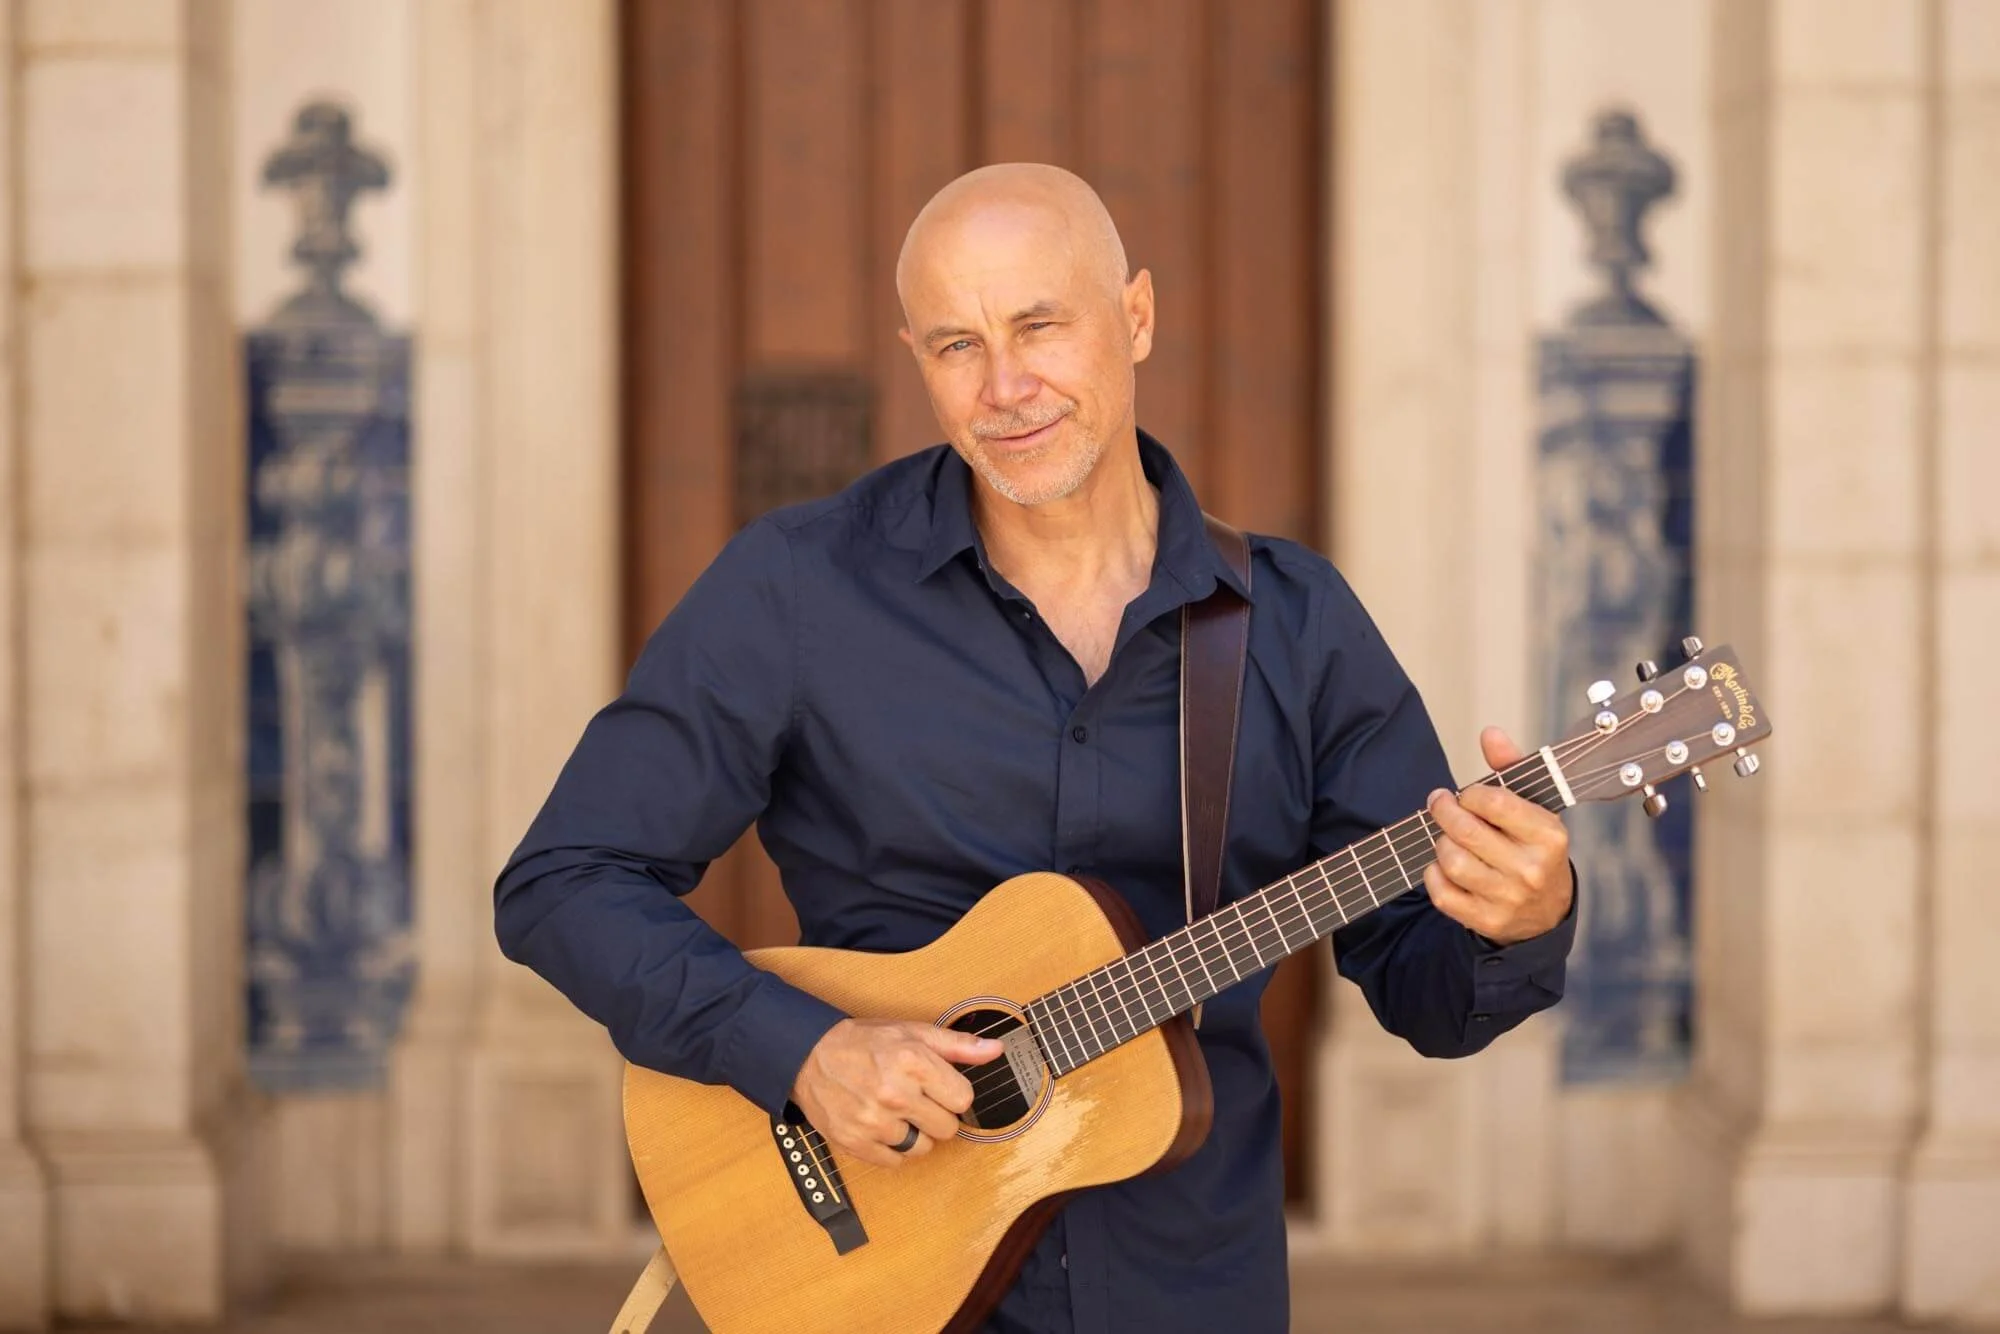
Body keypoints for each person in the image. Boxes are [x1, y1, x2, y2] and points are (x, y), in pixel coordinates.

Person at [494, 163, 1576, 1333]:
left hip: (1184, 1284)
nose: (1004, 386)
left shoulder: (1295, 625)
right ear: (914, 354)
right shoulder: (797, 589)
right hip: (872, 1268)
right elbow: (563, 883)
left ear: (1137, 316)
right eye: (955, 345)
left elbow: (1430, 996)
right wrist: (802, 1049)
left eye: (1038, 325)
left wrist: (1516, 914)